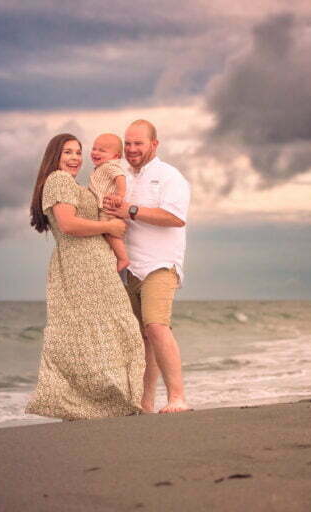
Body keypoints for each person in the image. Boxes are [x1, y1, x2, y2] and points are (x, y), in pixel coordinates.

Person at [25, 133, 145, 420]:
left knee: (93, 333)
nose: (76, 158)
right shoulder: (59, 180)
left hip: (90, 263)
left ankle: (101, 404)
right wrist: (111, 230)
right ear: (54, 156)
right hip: (83, 265)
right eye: (68, 152)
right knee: (110, 329)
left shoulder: (71, 184)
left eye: (78, 152)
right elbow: (67, 224)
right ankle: (102, 403)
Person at [103, 119, 191, 414]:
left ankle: (177, 397)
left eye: (138, 143)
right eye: (127, 143)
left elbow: (175, 217)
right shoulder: (121, 176)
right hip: (128, 268)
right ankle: (145, 402)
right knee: (141, 337)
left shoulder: (170, 176)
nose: (131, 149)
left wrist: (130, 209)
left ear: (154, 144)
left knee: (156, 326)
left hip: (161, 264)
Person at [88, 133, 130, 272]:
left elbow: (120, 177)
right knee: (105, 233)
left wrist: (120, 195)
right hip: (103, 207)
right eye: (94, 148)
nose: (95, 152)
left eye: (102, 150)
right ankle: (115, 257)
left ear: (116, 156)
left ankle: (123, 258)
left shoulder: (109, 166)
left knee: (110, 232)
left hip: (108, 207)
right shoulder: (100, 168)